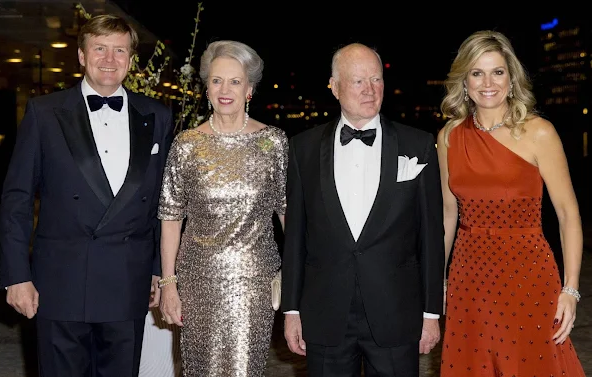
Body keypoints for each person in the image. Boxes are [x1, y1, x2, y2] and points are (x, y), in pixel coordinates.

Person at [0, 14, 174, 377]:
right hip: (60, 281)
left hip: (128, 280)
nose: (109, 60)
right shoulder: (44, 112)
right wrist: (16, 275)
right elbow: (16, 199)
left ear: (130, 59)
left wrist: (160, 270)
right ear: (81, 56)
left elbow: (163, 202)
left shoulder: (156, 114)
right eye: (100, 49)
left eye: (119, 51)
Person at [282, 42, 445, 377]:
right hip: (326, 314)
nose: (371, 90)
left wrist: (431, 314)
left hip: (396, 316)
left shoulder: (419, 144)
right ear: (335, 86)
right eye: (358, 81)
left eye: (376, 79)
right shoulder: (303, 148)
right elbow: (295, 237)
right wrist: (292, 309)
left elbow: (431, 236)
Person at [438, 30, 586, 376]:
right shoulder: (448, 136)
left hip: (528, 276)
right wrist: (438, 283)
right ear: (464, 81)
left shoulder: (538, 132)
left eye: (498, 72)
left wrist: (571, 289)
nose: (487, 82)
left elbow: (568, 214)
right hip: (468, 276)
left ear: (512, 78)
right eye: (477, 73)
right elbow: (447, 214)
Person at [157, 40, 288, 377]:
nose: (224, 89)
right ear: (206, 88)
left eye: (234, 81)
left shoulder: (273, 142)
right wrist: (169, 284)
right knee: (200, 368)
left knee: (244, 368)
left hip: (254, 280)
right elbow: (171, 219)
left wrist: (296, 275)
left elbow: (288, 213)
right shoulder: (187, 144)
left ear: (250, 89)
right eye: (216, 80)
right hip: (196, 278)